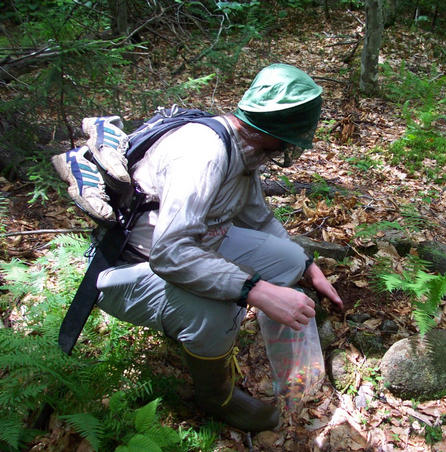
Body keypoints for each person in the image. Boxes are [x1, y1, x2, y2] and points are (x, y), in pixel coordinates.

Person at [94, 64, 344, 432]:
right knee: (215, 309)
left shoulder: (246, 149)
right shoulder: (204, 153)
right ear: (275, 132)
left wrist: (308, 266)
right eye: (291, 140)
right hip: (127, 270)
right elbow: (169, 253)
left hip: (190, 248)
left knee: (287, 258)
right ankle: (216, 395)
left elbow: (259, 220)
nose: (291, 149)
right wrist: (255, 290)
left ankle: (196, 328)